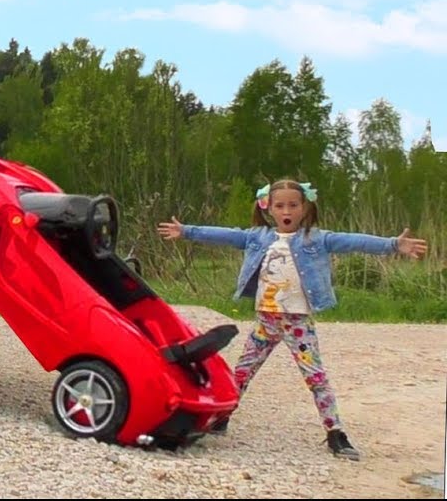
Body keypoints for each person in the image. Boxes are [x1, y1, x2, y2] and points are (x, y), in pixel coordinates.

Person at [156, 179, 428, 461]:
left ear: (304, 207)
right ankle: (222, 417)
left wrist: (394, 245)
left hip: (298, 324)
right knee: (241, 372)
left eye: (293, 205)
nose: (287, 210)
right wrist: (186, 231)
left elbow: (354, 240)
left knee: (316, 378)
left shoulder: (317, 239)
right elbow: (224, 235)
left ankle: (336, 433)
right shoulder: (258, 237)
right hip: (266, 320)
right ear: (268, 208)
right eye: (280, 205)